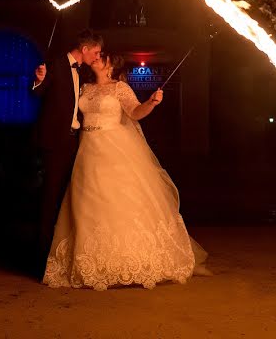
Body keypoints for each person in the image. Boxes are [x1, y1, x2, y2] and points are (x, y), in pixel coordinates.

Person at [43, 53, 209, 290]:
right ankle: (93, 263)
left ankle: (128, 261)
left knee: (117, 199)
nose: (98, 58)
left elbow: (134, 112)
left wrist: (151, 102)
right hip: (87, 149)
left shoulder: (120, 88)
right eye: (97, 55)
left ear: (111, 64)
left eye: (103, 56)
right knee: (87, 202)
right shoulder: (85, 86)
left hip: (114, 147)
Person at [31, 29, 104, 275]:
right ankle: (42, 259)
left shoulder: (83, 70)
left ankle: (65, 255)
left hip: (77, 143)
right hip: (55, 143)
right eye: (96, 52)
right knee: (50, 199)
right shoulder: (55, 64)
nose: (98, 56)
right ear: (84, 49)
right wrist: (39, 79)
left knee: (70, 199)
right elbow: (38, 93)